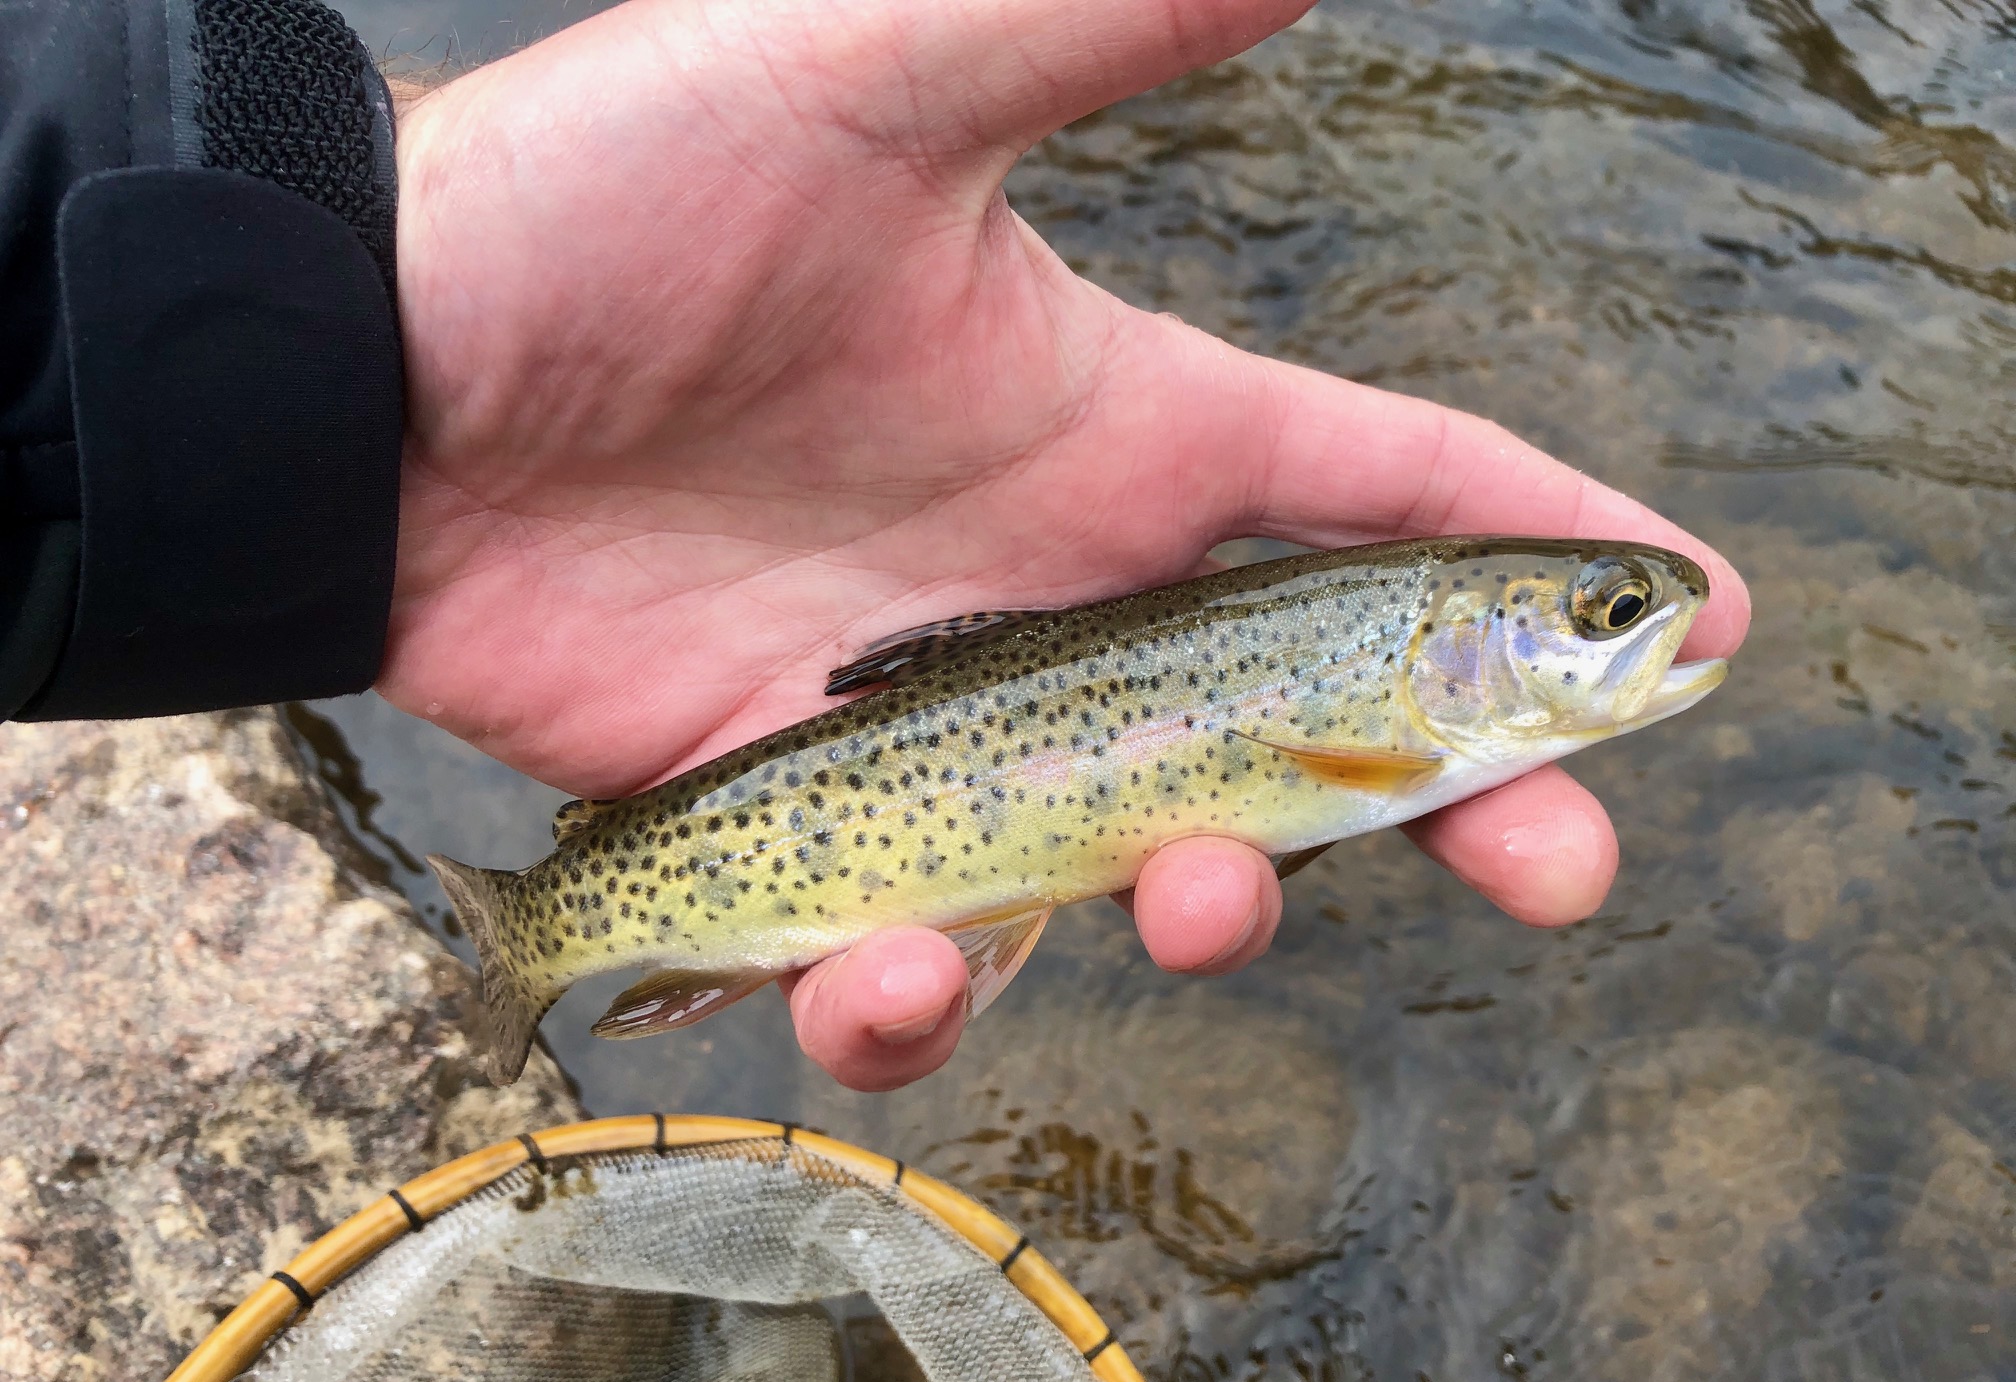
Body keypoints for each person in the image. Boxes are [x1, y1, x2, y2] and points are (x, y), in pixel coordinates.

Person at [1, 0, 1748, 1092]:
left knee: (972, 948)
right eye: (1600, 611)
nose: (1631, 628)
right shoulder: (1384, 719)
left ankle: (558, 920)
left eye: (1601, 614)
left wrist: (353, 310)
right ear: (1462, 644)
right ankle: (544, 927)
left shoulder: (1403, 704)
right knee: (970, 947)